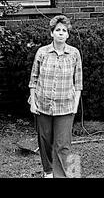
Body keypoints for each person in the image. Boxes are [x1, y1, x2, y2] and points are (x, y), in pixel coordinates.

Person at [28, 15, 83, 178]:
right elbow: (34, 78)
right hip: (43, 104)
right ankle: (48, 172)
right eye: (57, 30)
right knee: (45, 142)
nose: (60, 33)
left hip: (65, 106)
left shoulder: (74, 53)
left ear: (68, 34)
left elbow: (78, 82)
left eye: (64, 30)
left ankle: (72, 174)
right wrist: (33, 101)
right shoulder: (42, 52)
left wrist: (75, 105)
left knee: (64, 145)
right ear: (52, 33)